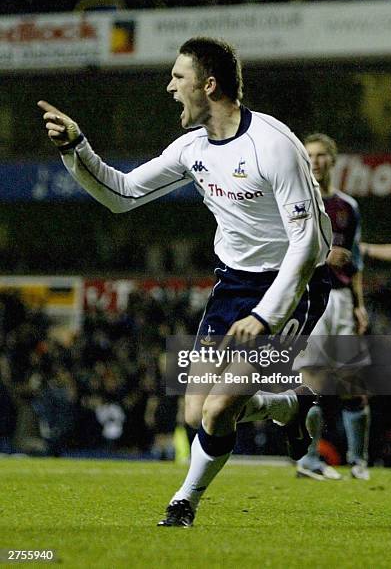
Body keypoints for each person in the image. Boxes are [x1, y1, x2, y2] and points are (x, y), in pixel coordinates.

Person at [38, 37, 332, 527]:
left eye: (178, 77)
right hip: (233, 286)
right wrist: (77, 147)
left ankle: (184, 502)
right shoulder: (193, 148)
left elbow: (305, 248)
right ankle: (290, 406)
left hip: (292, 285)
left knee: (218, 413)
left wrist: (265, 316)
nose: (169, 86)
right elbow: (123, 193)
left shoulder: (275, 146)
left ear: (209, 85)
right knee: (196, 415)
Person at [293, 133, 371, 481]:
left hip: (340, 300)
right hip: (310, 297)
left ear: (332, 160)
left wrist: (359, 305)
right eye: (310, 154)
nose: (316, 160)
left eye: (322, 155)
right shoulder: (294, 201)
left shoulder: (347, 207)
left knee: (353, 382)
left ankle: (359, 460)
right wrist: (323, 257)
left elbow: (355, 262)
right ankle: (308, 459)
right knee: (312, 381)